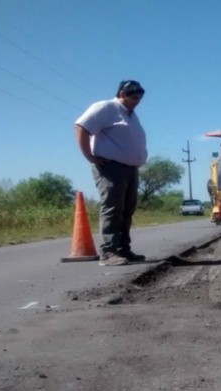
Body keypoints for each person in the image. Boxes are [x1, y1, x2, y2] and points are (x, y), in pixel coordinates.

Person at [74, 80, 148, 266]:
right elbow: (81, 127)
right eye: (133, 97)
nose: (136, 101)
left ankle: (123, 249)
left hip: (130, 168)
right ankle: (108, 253)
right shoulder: (105, 108)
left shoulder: (131, 115)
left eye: (139, 99)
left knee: (126, 210)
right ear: (122, 93)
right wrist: (90, 156)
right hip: (111, 167)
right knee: (113, 208)